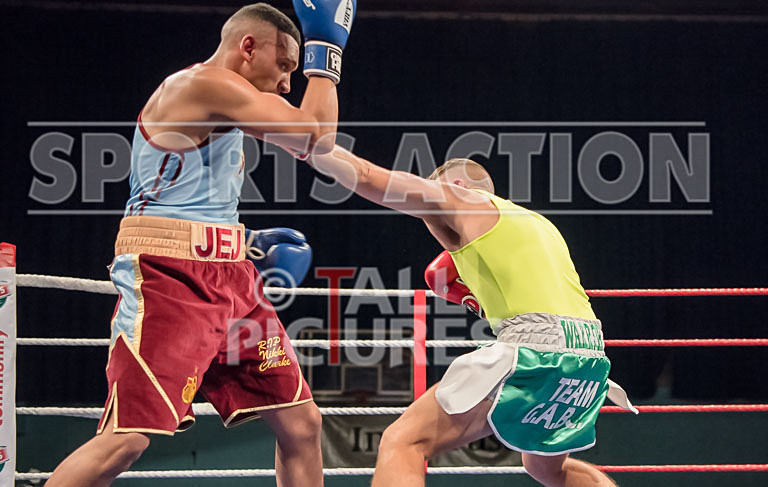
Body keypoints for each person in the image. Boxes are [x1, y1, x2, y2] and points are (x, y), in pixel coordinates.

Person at [45, 2, 356, 486]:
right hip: (170, 278)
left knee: (301, 423)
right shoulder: (201, 85)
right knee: (127, 439)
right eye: (284, 65)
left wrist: (242, 240)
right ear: (247, 47)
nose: (287, 84)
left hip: (231, 278)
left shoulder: (224, 104)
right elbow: (315, 139)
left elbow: (186, 197)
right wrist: (325, 49)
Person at [301, 147, 637, 486]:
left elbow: (369, 177)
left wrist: (315, 148)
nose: (432, 222)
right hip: (590, 353)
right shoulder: (537, 224)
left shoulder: (462, 200)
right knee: (547, 469)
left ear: (458, 185)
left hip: (537, 350)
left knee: (403, 441)